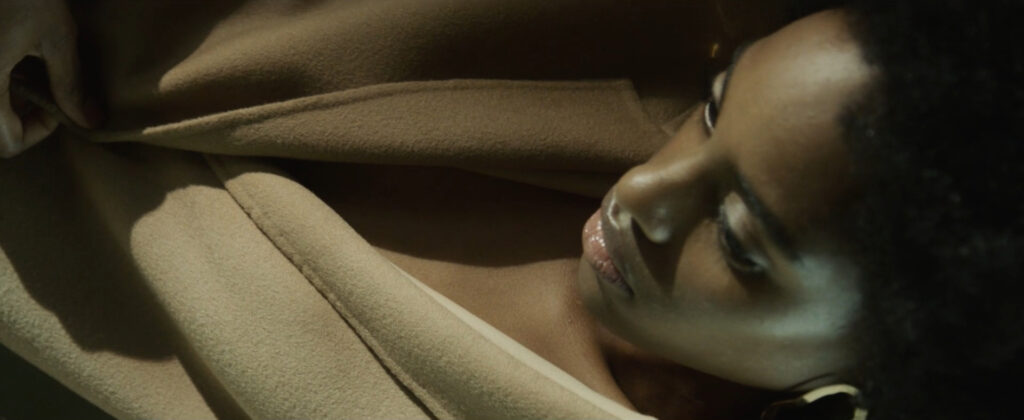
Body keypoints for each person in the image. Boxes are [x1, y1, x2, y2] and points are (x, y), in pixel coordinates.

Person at [1, 1, 1020, 419]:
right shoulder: (601, 34)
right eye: (713, 113)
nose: (645, 192)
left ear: (877, 366)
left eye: (740, 240)